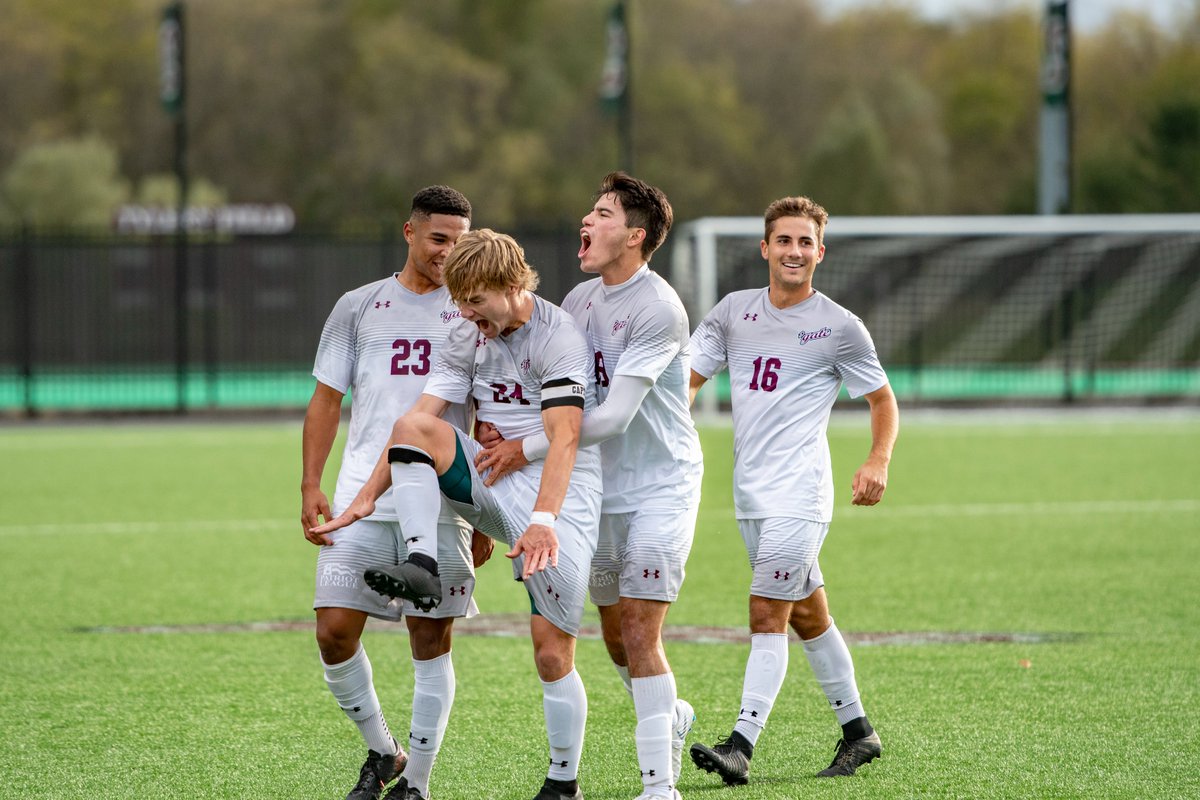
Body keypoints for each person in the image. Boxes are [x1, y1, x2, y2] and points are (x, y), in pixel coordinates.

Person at [310, 228, 603, 800]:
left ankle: (563, 785)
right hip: (491, 482)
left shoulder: (558, 336)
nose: (467, 315)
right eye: (460, 302)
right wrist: (368, 495)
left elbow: (565, 436)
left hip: (556, 500)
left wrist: (543, 517)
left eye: (475, 302)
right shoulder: (466, 331)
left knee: (552, 652)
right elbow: (417, 421)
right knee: (416, 428)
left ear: (513, 284)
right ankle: (422, 561)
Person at [476, 172, 702, 800]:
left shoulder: (658, 306)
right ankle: (670, 715)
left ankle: (659, 786)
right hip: (592, 489)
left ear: (634, 235)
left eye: (602, 213)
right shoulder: (576, 303)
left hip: (659, 487)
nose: (587, 220)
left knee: (639, 630)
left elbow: (609, 419)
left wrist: (522, 448)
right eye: (589, 210)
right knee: (612, 638)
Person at [685, 195, 899, 785]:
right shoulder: (732, 312)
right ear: (765, 248)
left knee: (766, 614)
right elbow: (686, 380)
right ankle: (859, 734)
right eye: (785, 240)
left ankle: (741, 744)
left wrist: (877, 459)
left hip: (801, 496)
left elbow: (882, 399)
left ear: (820, 252)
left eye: (806, 242)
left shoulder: (839, 325)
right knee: (808, 616)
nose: (795, 252)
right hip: (750, 496)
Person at [301, 185, 493, 800]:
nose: (448, 253)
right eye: (438, 239)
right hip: (360, 493)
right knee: (333, 631)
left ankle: (418, 781)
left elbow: (489, 418)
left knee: (429, 638)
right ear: (409, 233)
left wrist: (485, 513)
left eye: (460, 242)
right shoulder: (358, 307)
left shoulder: (477, 313)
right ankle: (384, 751)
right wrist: (311, 482)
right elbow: (328, 400)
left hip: (441, 503)